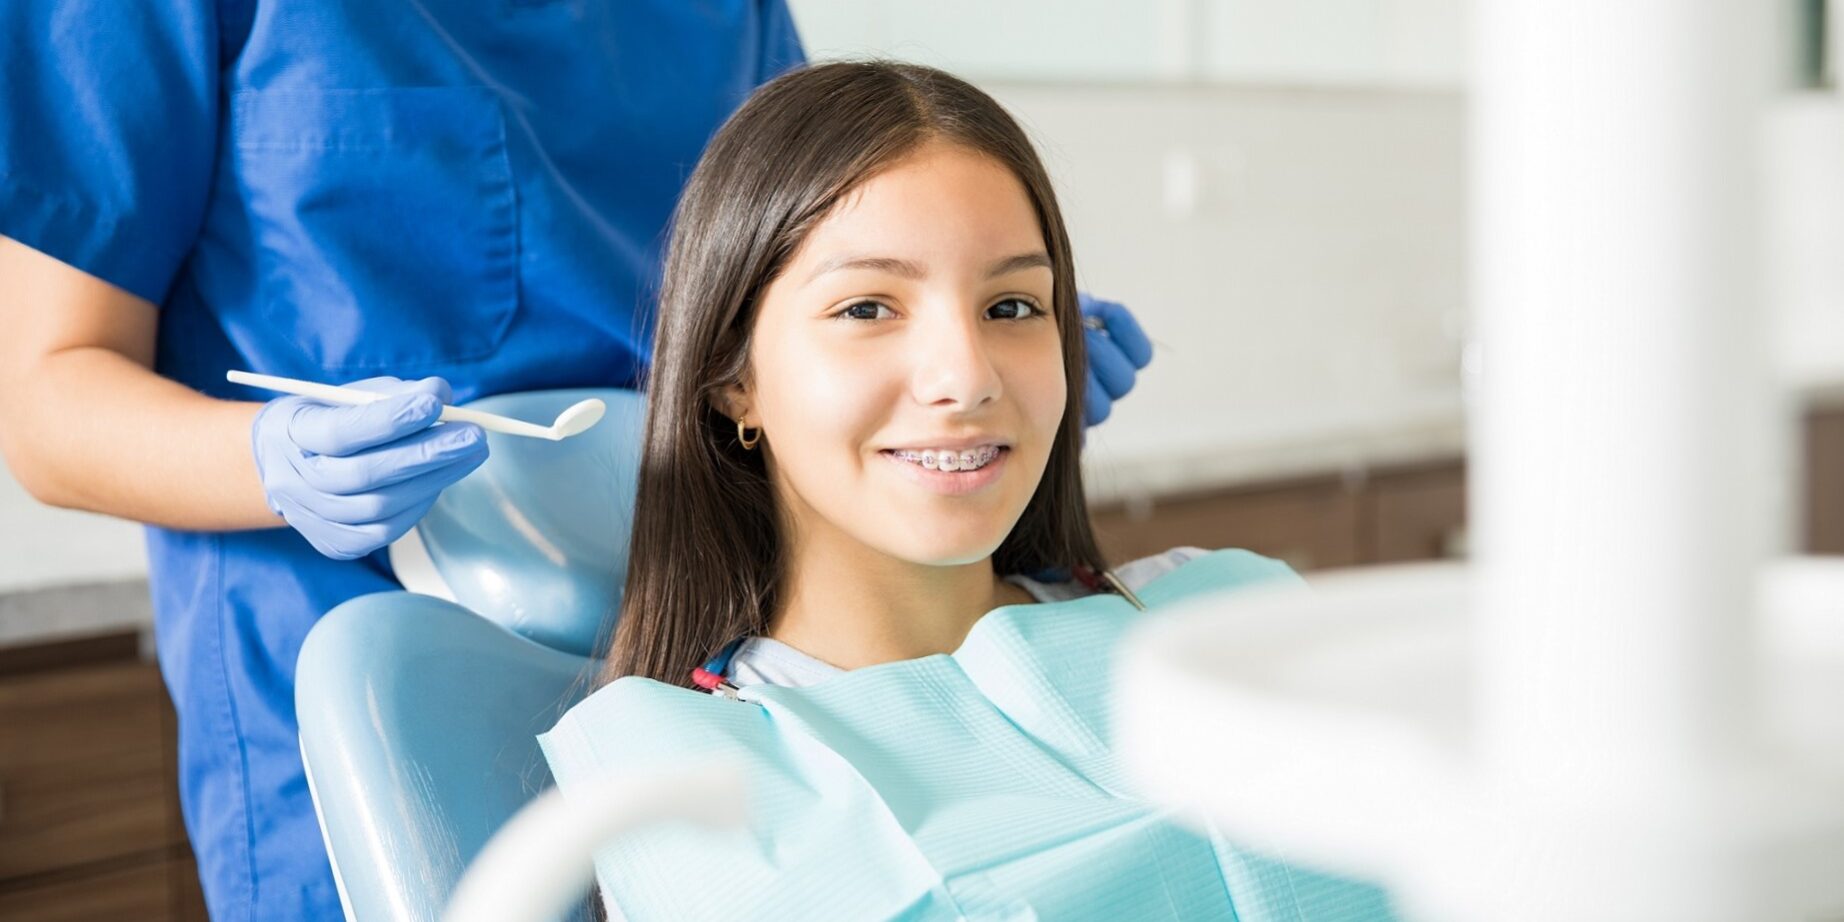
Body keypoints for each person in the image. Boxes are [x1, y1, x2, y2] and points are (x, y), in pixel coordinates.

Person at [0, 5, 1153, 917]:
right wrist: (269, 461)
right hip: (340, 638)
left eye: (1016, 303)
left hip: (724, 636)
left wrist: (959, 376)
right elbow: (47, 397)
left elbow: (812, 233)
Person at [538, 61, 1395, 920]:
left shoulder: (1220, 620)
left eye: (1013, 307)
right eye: (868, 308)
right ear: (735, 380)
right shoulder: (688, 787)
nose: (966, 376)